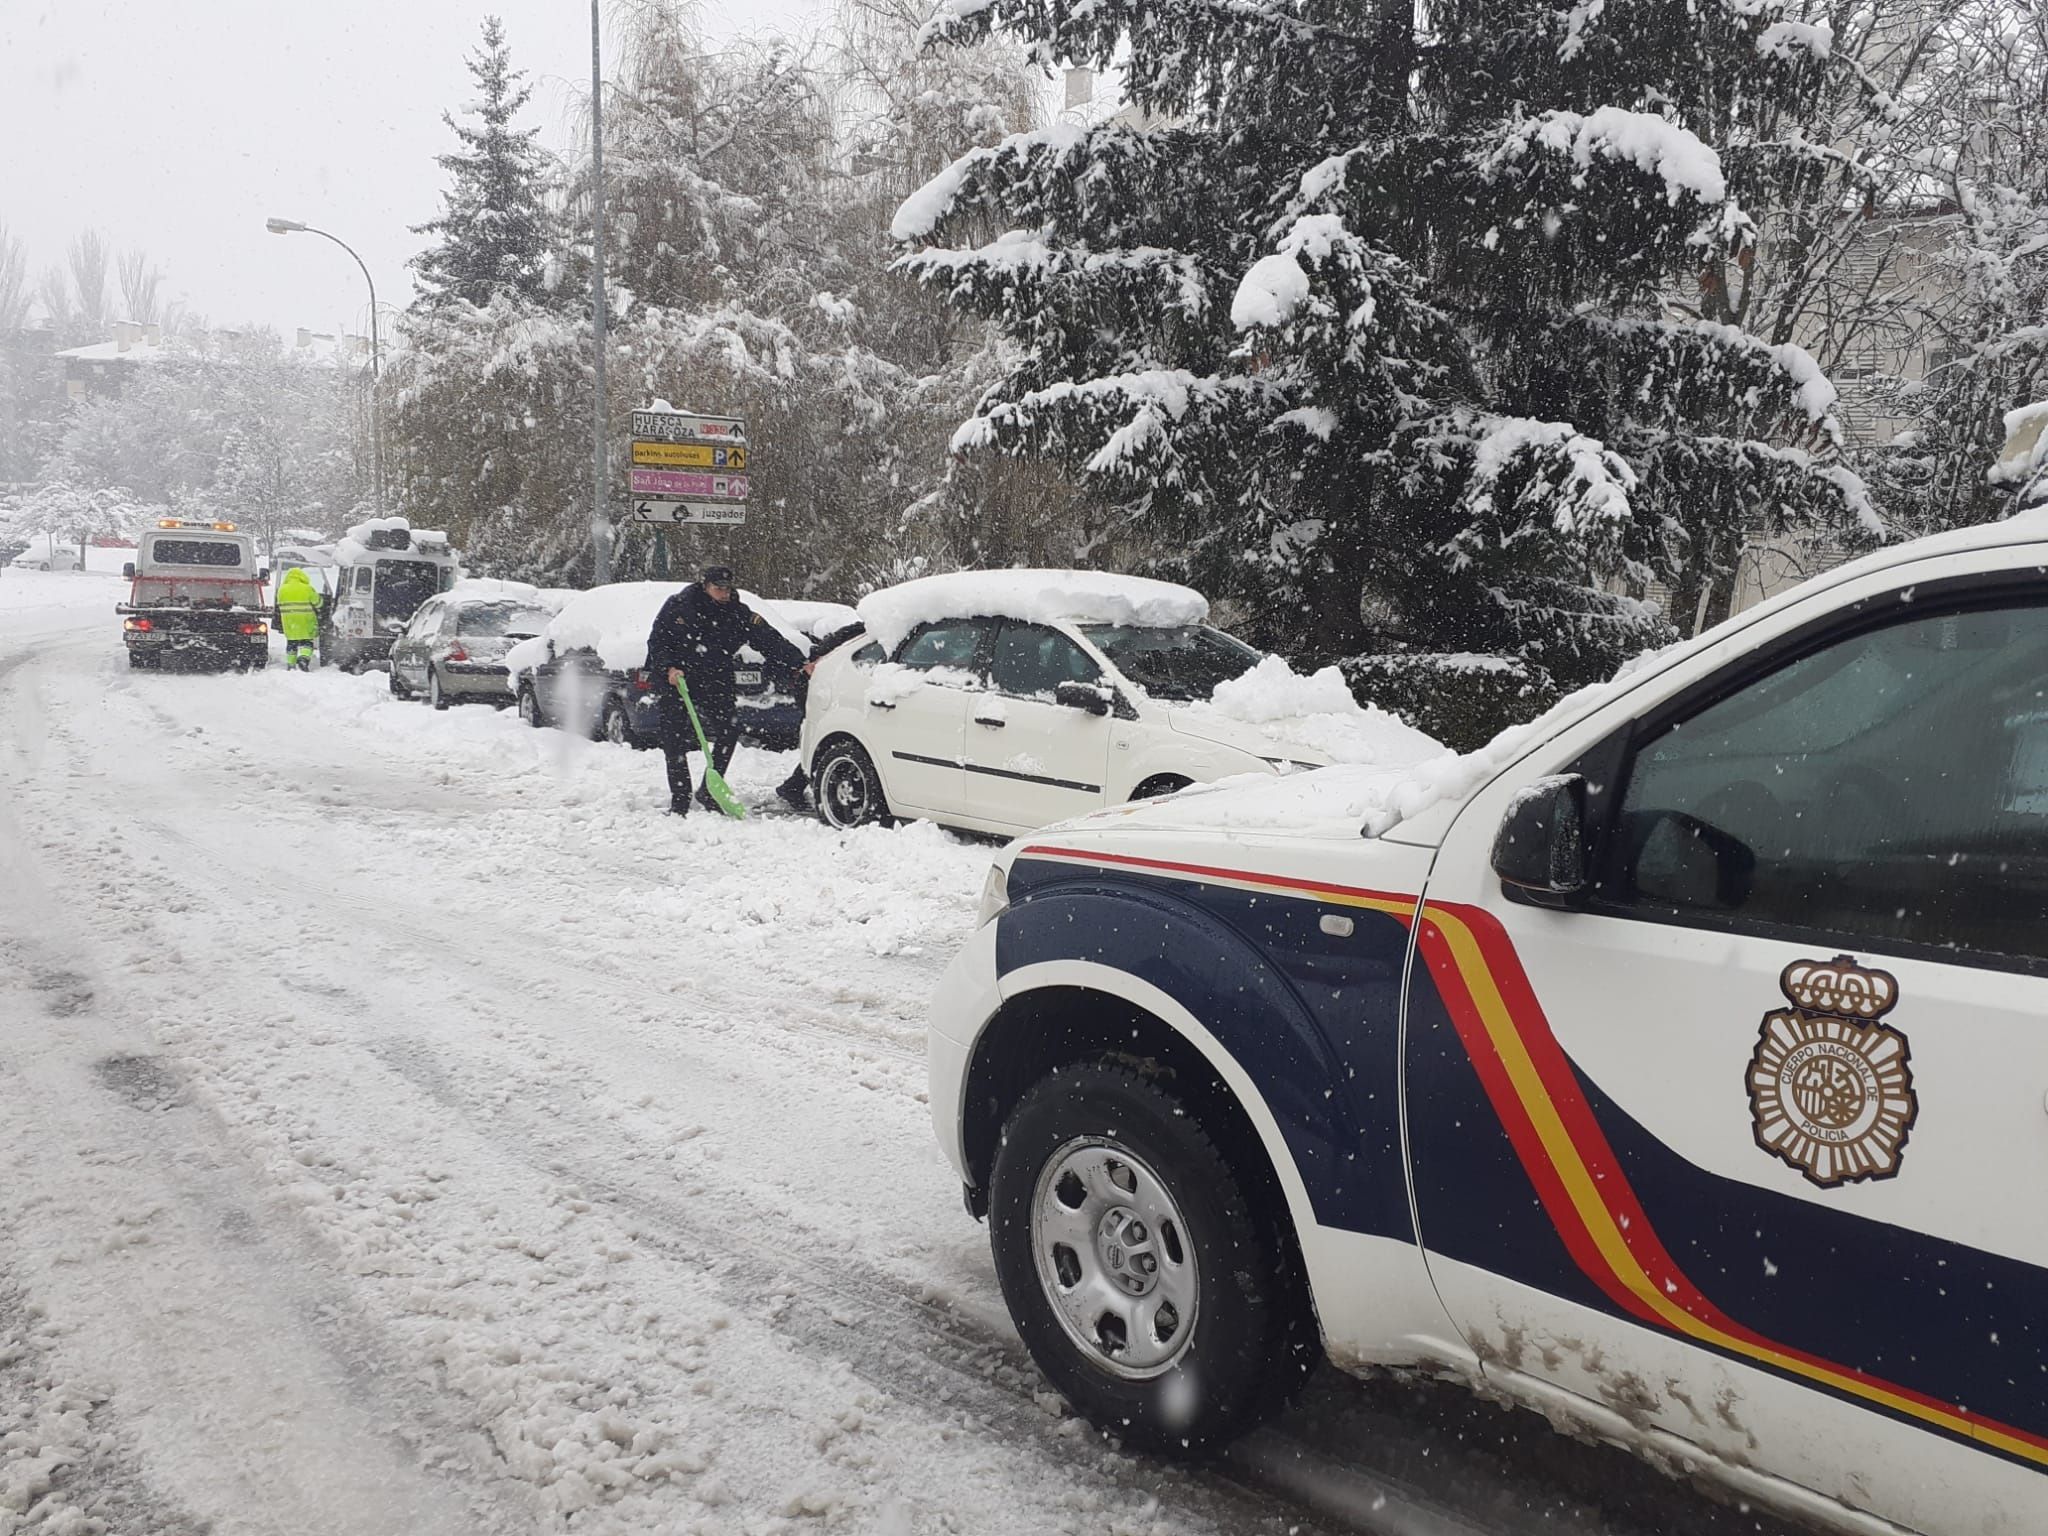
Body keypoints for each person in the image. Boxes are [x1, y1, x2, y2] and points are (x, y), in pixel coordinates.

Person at [644, 565, 810, 815]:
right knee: (675, 739)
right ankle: (680, 798)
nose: (723, 593)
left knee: (729, 730)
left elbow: (769, 640)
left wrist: (799, 663)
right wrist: (668, 668)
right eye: (717, 589)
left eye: (727, 589)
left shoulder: (738, 613)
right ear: (705, 586)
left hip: (715, 678)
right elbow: (658, 640)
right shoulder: (679, 606)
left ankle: (709, 789)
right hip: (679, 679)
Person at [772, 621, 866, 810]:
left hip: (820, 683)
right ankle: (794, 786)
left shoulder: (863, 631)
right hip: (818, 685)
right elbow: (824, 654)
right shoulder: (862, 634)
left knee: (820, 739)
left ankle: (793, 786)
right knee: (820, 739)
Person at [276, 567, 322, 671]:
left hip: (289, 621)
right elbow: (318, 603)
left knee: (291, 642)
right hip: (305, 620)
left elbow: (279, 604)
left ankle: (291, 665)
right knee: (307, 641)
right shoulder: (307, 588)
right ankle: (303, 659)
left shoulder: (282, 589)